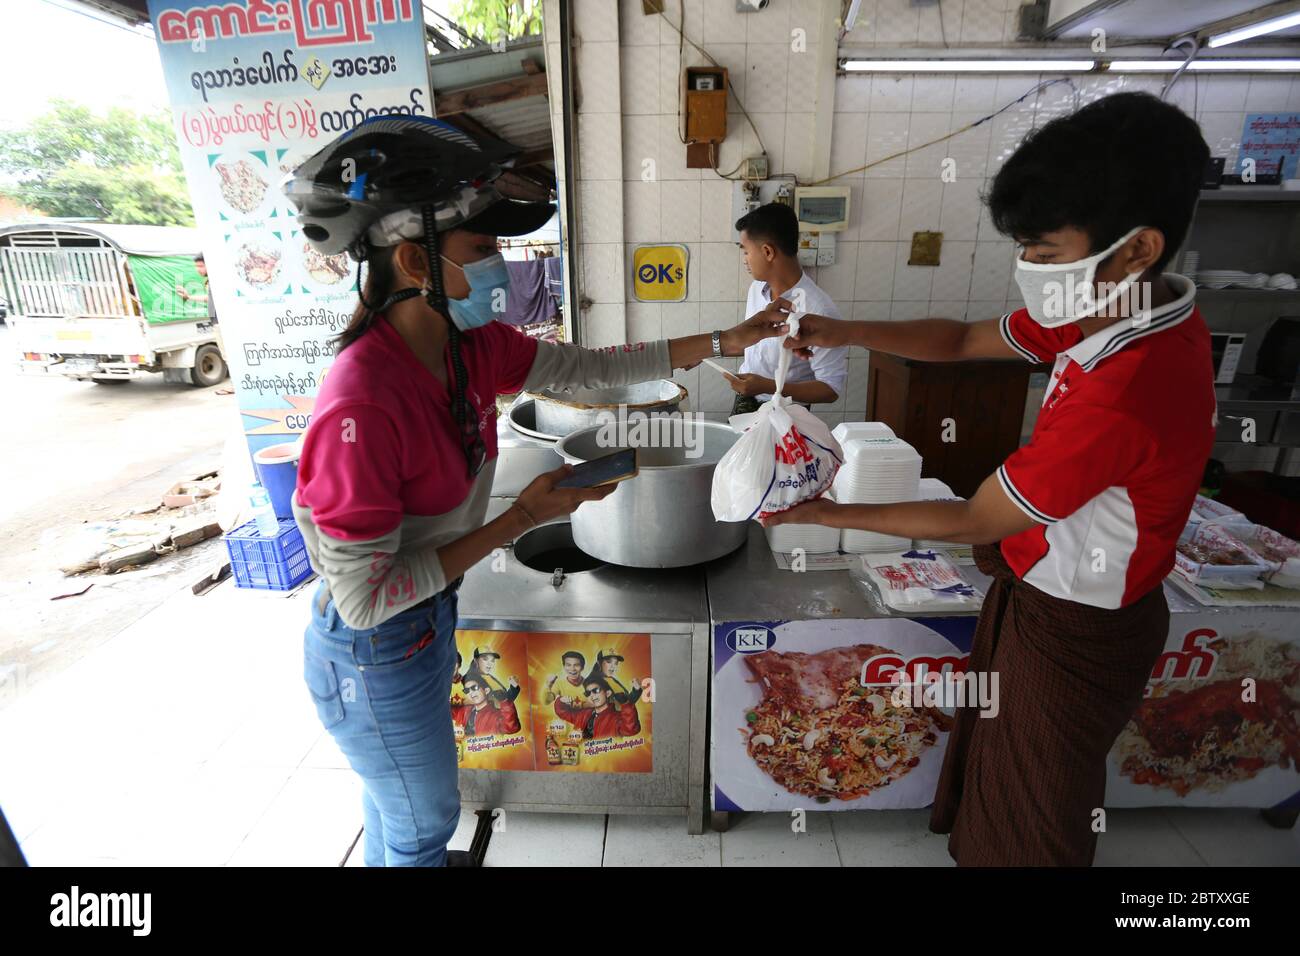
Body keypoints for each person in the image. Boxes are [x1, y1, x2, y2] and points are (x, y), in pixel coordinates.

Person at [290, 116, 785, 868]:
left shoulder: (469, 350)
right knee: (424, 820)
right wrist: (522, 517)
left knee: (397, 803)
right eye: (485, 250)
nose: (501, 267)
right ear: (417, 260)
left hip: (424, 621)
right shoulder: (362, 404)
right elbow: (364, 597)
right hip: (371, 650)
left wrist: (725, 340)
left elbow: (590, 369)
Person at [763, 92, 1215, 866]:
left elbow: (976, 520)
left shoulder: (1127, 389)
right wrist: (849, 330)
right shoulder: (1116, 303)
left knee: (1038, 814)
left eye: (1043, 252)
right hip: (1047, 588)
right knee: (1005, 781)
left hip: (1082, 622)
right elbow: (969, 337)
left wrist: (826, 509)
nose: (1029, 270)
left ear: (1137, 247)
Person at [729, 202, 847, 416]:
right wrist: (708, 350)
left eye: (746, 251)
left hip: (787, 413)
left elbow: (830, 389)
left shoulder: (818, 309)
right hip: (745, 401)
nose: (744, 260)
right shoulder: (757, 289)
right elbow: (753, 343)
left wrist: (768, 386)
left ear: (767, 252)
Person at [553, 677, 640, 739]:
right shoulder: (583, 714)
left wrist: (626, 704)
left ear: (608, 693)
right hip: (581, 761)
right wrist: (561, 701)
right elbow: (562, 713)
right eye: (588, 693)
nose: (592, 695)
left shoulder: (616, 719)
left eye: (596, 690)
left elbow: (631, 729)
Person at [450, 675, 520, 737]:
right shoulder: (463, 711)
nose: (471, 692)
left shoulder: (496, 716)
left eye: (475, 687)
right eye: (467, 690)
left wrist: (504, 701)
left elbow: (511, 727)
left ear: (486, 690)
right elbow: (444, 712)